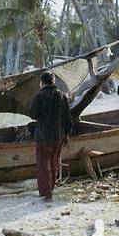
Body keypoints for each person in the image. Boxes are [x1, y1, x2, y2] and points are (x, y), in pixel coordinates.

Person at [29, 71, 72, 202]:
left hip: (43, 136)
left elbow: (33, 114)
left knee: (43, 165)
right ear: (53, 82)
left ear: (42, 82)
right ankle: (51, 189)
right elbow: (67, 118)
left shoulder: (39, 95)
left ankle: (46, 194)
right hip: (57, 136)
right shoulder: (61, 96)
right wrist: (67, 133)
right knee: (54, 164)